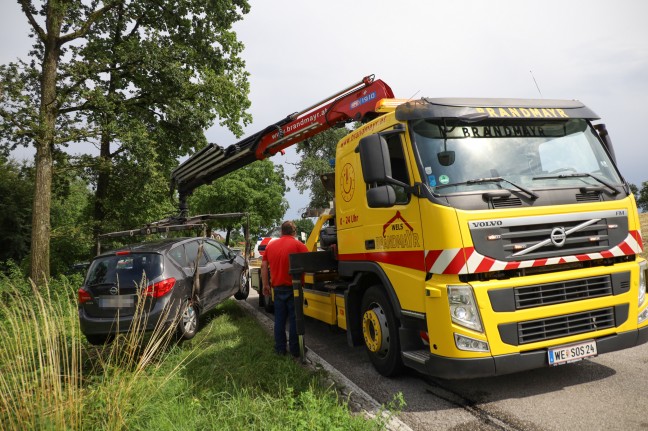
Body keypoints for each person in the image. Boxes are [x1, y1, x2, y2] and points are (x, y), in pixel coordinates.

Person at [261, 220, 308, 356]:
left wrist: (265, 285)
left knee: (279, 321)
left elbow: (264, 266)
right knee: (295, 320)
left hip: (278, 289)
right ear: (294, 232)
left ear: (281, 231)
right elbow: (309, 263)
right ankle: (295, 350)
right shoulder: (299, 245)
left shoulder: (271, 246)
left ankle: (280, 349)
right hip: (294, 288)